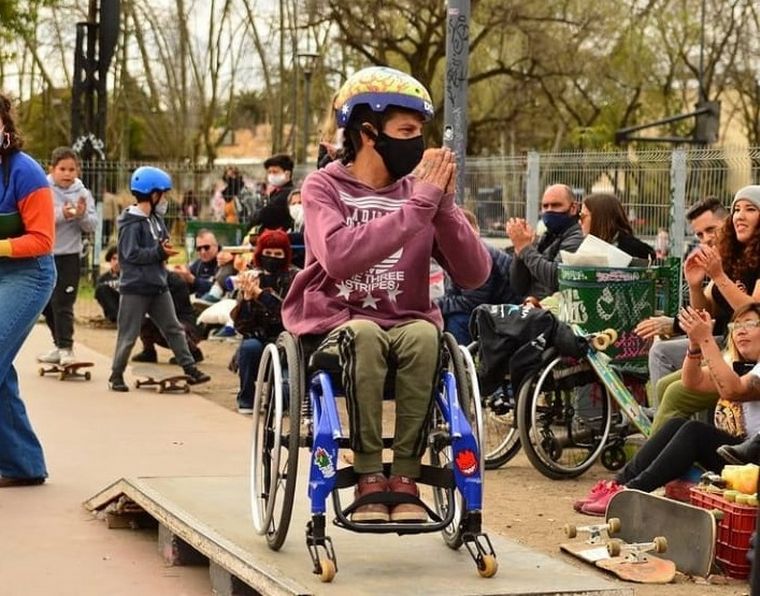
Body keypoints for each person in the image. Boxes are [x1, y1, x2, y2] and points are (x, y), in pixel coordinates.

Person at [281, 66, 491, 524]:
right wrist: (419, 206)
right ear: (369, 132)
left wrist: (446, 207)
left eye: (421, 132)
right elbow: (336, 256)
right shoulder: (324, 187)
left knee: (423, 335)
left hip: (406, 321)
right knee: (365, 335)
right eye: (408, 132)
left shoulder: (421, 192)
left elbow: (475, 274)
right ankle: (368, 473)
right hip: (336, 325)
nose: (419, 144)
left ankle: (406, 476)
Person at [574, 303, 760, 516]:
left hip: (753, 461)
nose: (741, 330)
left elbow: (732, 390)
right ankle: (618, 485)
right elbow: (694, 382)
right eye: (736, 325)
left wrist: (706, 339)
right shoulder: (745, 366)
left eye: (751, 324)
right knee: (676, 425)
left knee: (695, 433)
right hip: (741, 458)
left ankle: (630, 492)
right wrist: (694, 345)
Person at [647, 189, 760, 432]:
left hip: (751, 357)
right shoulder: (733, 255)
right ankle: (678, 456)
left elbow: (753, 314)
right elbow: (704, 311)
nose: (740, 216)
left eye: (750, 209)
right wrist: (695, 284)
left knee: (676, 393)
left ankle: (656, 463)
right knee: (664, 385)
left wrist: (718, 276)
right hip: (729, 349)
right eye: (737, 209)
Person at [108, 166, 210, 392]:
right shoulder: (131, 224)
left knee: (173, 328)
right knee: (128, 334)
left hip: (157, 285)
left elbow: (160, 243)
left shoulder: (155, 219)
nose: (164, 199)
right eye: (162, 194)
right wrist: (158, 253)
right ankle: (116, 374)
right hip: (135, 287)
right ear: (152, 194)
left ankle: (189, 367)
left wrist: (163, 250)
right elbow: (130, 254)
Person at [0, 91, 56, 486]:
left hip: (29, 273)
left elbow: (43, 240)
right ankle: (24, 466)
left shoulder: (26, 171)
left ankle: (23, 465)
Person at [37, 146, 97, 366]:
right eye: (62, 169)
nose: (67, 174)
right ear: (52, 169)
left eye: (72, 169)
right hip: (44, 254)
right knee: (45, 303)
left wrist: (80, 216)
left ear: (78, 171)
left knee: (64, 302)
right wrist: (64, 213)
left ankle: (66, 348)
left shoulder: (83, 193)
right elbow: (40, 218)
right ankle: (57, 344)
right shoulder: (43, 190)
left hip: (69, 256)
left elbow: (91, 225)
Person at [231, 229, 298, 414]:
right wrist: (246, 299)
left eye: (278, 254)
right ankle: (247, 399)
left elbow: (289, 314)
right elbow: (241, 326)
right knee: (248, 347)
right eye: (268, 253)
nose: (272, 258)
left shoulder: (295, 278)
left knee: (283, 397)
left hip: (287, 341)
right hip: (258, 339)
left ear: (286, 255)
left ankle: (278, 400)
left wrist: (261, 295)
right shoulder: (252, 277)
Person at [436, 208, 519, 345]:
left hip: (504, 313)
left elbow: (471, 303)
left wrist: (435, 305)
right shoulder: (456, 253)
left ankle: (458, 363)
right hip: (491, 308)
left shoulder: (474, 257)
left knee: (456, 321)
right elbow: (453, 292)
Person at [507, 184, 583, 300]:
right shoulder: (547, 237)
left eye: (556, 205)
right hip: (531, 307)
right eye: (545, 206)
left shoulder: (577, 237)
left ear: (573, 208)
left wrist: (525, 248)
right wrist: (520, 251)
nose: (549, 210)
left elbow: (556, 278)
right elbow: (518, 286)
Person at [131, 271, 204, 364]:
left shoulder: (175, 281)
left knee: (171, 324)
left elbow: (173, 308)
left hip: (184, 322)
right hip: (162, 324)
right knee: (141, 320)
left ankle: (192, 352)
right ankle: (148, 351)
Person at [577, 193, 655, 261]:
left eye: (582, 216)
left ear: (598, 219)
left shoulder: (631, 250)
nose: (579, 222)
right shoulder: (586, 245)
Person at [248, 154, 295, 233]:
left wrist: (256, 215)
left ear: (287, 174)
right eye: (269, 172)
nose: (271, 175)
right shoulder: (274, 193)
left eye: (275, 172)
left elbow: (264, 215)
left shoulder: (286, 194)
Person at [95, 245, 120, 323]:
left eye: (120, 259)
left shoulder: (130, 276)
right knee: (101, 289)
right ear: (110, 260)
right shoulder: (103, 278)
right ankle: (115, 317)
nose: (117, 262)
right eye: (114, 259)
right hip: (113, 307)